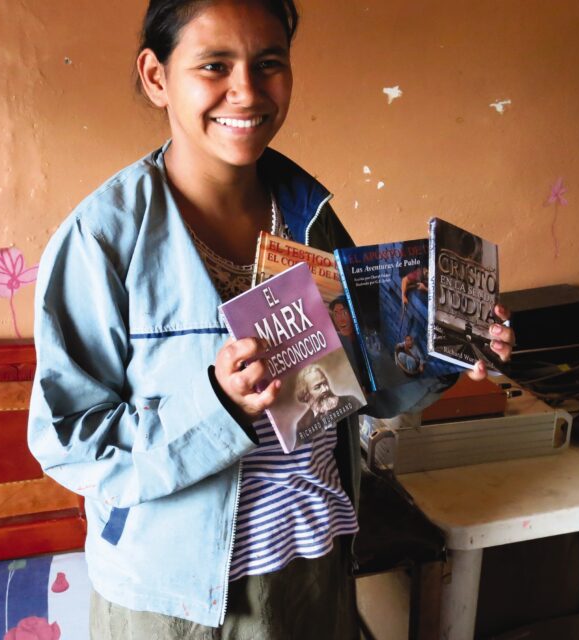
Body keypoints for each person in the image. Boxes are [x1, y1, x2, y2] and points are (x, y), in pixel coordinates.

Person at [27, 1, 515, 638]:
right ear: (156, 78)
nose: (247, 91)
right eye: (213, 65)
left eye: (269, 64)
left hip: (309, 575)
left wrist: (442, 350)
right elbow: (70, 442)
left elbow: (356, 385)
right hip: (175, 603)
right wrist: (215, 406)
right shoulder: (102, 242)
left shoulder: (311, 219)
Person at [294, 364, 361, 445]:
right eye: (317, 387)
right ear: (306, 395)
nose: (325, 389)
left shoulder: (350, 401)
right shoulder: (302, 424)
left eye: (325, 383)